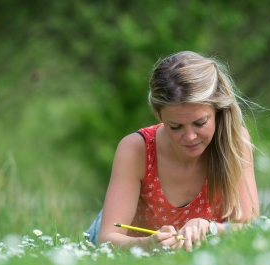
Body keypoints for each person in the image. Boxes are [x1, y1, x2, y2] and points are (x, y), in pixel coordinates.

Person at [86, 51, 259, 251]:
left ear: (217, 110)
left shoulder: (235, 143)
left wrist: (210, 228)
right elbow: (106, 238)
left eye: (200, 123)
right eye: (175, 127)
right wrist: (147, 244)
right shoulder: (136, 149)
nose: (190, 136)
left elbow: (249, 228)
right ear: (158, 115)